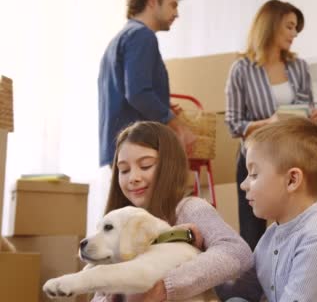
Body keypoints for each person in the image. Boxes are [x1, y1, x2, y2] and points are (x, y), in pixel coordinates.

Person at [216, 117, 317, 302]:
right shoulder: (270, 238)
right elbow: (240, 292)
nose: (244, 185)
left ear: (292, 180)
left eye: (254, 174)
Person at [91, 121, 253, 302]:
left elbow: (237, 252)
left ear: (170, 166)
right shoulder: (116, 228)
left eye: (145, 166)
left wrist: (165, 286)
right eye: (124, 170)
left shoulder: (189, 208)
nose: (133, 178)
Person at [225, 0, 317, 250]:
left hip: (294, 160)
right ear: (270, 24)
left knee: (299, 228)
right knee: (253, 234)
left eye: (296, 29)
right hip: (254, 161)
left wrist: (316, 117)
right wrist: (270, 123)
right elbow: (234, 124)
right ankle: (255, 290)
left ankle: (296, 284)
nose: (293, 34)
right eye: (289, 27)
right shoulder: (242, 69)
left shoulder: (299, 67)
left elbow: (309, 107)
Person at [98, 0, 195, 169]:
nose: (176, 13)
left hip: (121, 147)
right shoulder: (142, 36)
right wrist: (175, 123)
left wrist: (162, 105)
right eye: (172, 5)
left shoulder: (120, 39)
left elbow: (128, 91)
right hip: (138, 146)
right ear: (152, 2)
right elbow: (138, 92)